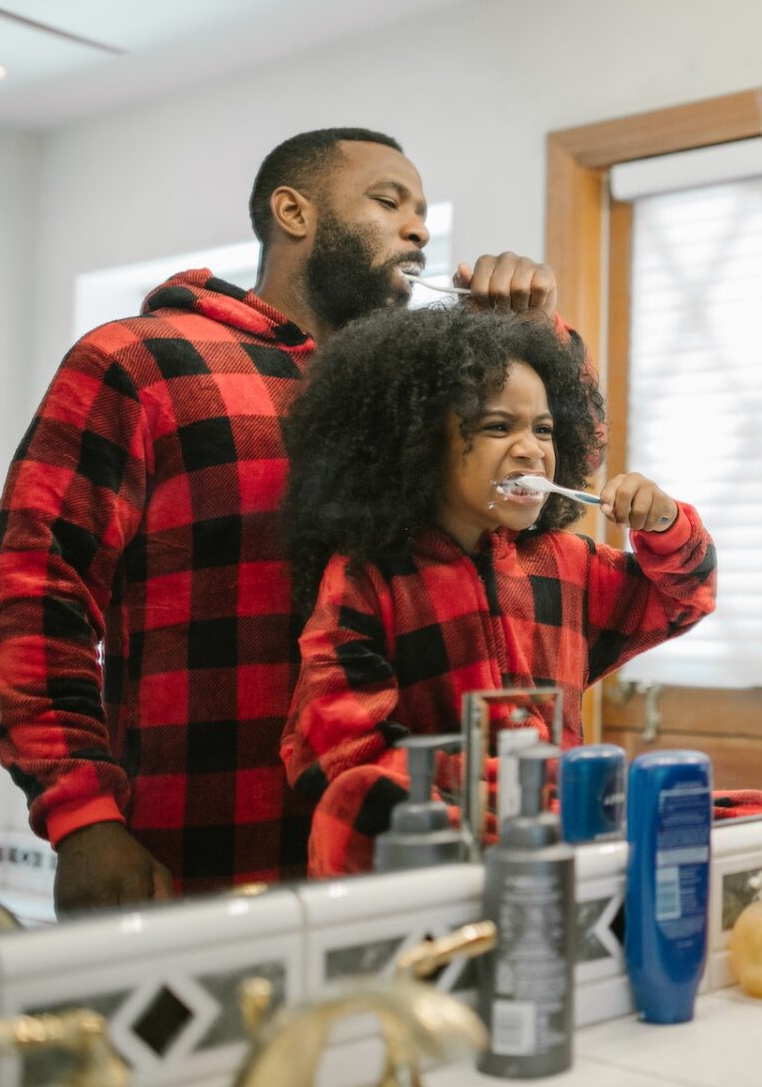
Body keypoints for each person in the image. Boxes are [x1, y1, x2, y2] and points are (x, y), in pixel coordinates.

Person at [0, 126, 569, 910]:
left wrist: (533, 338)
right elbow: (35, 595)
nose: (420, 228)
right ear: (294, 212)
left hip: (403, 865)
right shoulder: (140, 362)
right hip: (197, 855)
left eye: (424, 212)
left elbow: (535, 545)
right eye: (388, 200)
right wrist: (83, 816)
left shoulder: (419, 403)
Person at [279, 306, 716, 877]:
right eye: (497, 426)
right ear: (417, 441)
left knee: (743, 813)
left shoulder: (567, 563)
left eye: (543, 429)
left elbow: (686, 597)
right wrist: (508, 792)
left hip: (556, 842)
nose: (532, 448)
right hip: (437, 848)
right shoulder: (368, 577)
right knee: (355, 805)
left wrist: (665, 527)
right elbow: (335, 754)